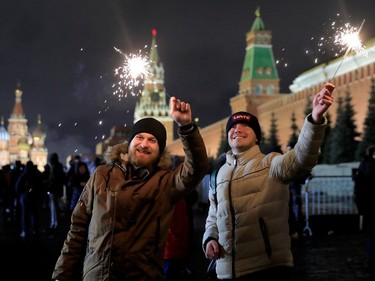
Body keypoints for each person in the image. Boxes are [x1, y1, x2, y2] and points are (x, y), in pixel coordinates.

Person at [52, 96, 209, 281]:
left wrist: (187, 128)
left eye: (152, 140)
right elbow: (77, 229)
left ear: (160, 150)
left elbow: (197, 168)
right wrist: (61, 274)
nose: (144, 144)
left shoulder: (166, 182)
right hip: (99, 276)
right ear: (129, 143)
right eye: (139, 137)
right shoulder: (102, 175)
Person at [202, 84, 335, 281]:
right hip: (226, 270)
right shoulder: (219, 175)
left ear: (257, 138)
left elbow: (301, 158)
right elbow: (214, 216)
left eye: (245, 126)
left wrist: (314, 119)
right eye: (233, 127)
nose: (238, 129)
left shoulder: (271, 163)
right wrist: (210, 239)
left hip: (267, 268)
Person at [353, 144, 375, 277]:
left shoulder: (365, 165)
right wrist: (361, 206)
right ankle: (372, 260)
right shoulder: (367, 166)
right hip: (371, 206)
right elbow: (359, 189)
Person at [15, 160, 43, 239]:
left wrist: (21, 193)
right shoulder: (37, 174)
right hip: (35, 197)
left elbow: (17, 187)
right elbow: (41, 186)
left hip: (25, 198)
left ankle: (25, 231)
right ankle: (35, 230)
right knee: (34, 215)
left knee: (25, 216)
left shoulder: (24, 174)